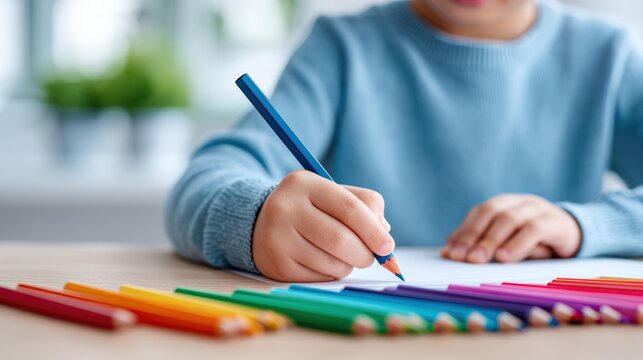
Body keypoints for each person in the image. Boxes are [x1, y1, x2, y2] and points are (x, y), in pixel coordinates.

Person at [166, 0, 643, 282]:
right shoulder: (341, 48)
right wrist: (255, 219)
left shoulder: (608, 56)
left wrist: (583, 225)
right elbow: (202, 182)